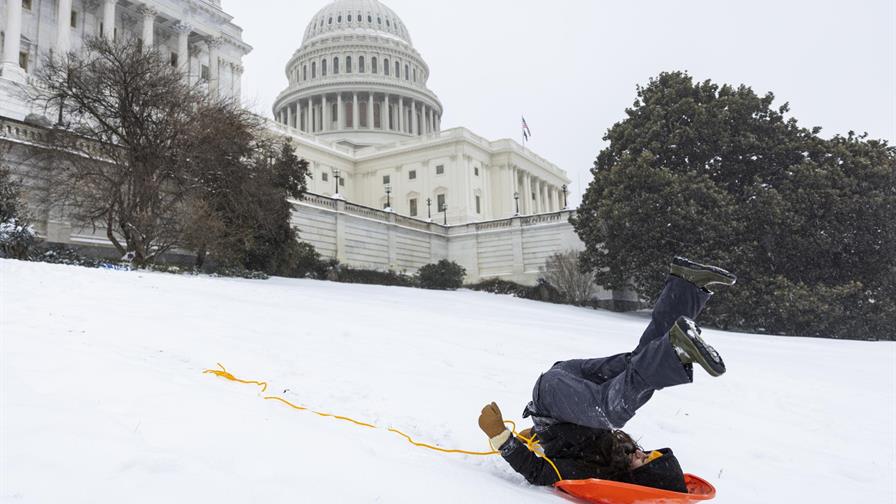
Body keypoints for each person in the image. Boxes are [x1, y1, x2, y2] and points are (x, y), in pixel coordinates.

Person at [477, 257, 736, 492]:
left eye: (643, 461)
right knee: (637, 365)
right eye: (648, 454)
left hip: (551, 395)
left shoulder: (593, 473)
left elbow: (538, 471)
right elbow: (578, 423)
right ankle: (685, 287)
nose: (640, 453)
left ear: (637, 478)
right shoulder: (616, 452)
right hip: (569, 379)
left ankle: (676, 345)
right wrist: (538, 432)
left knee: (611, 410)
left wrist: (501, 437)